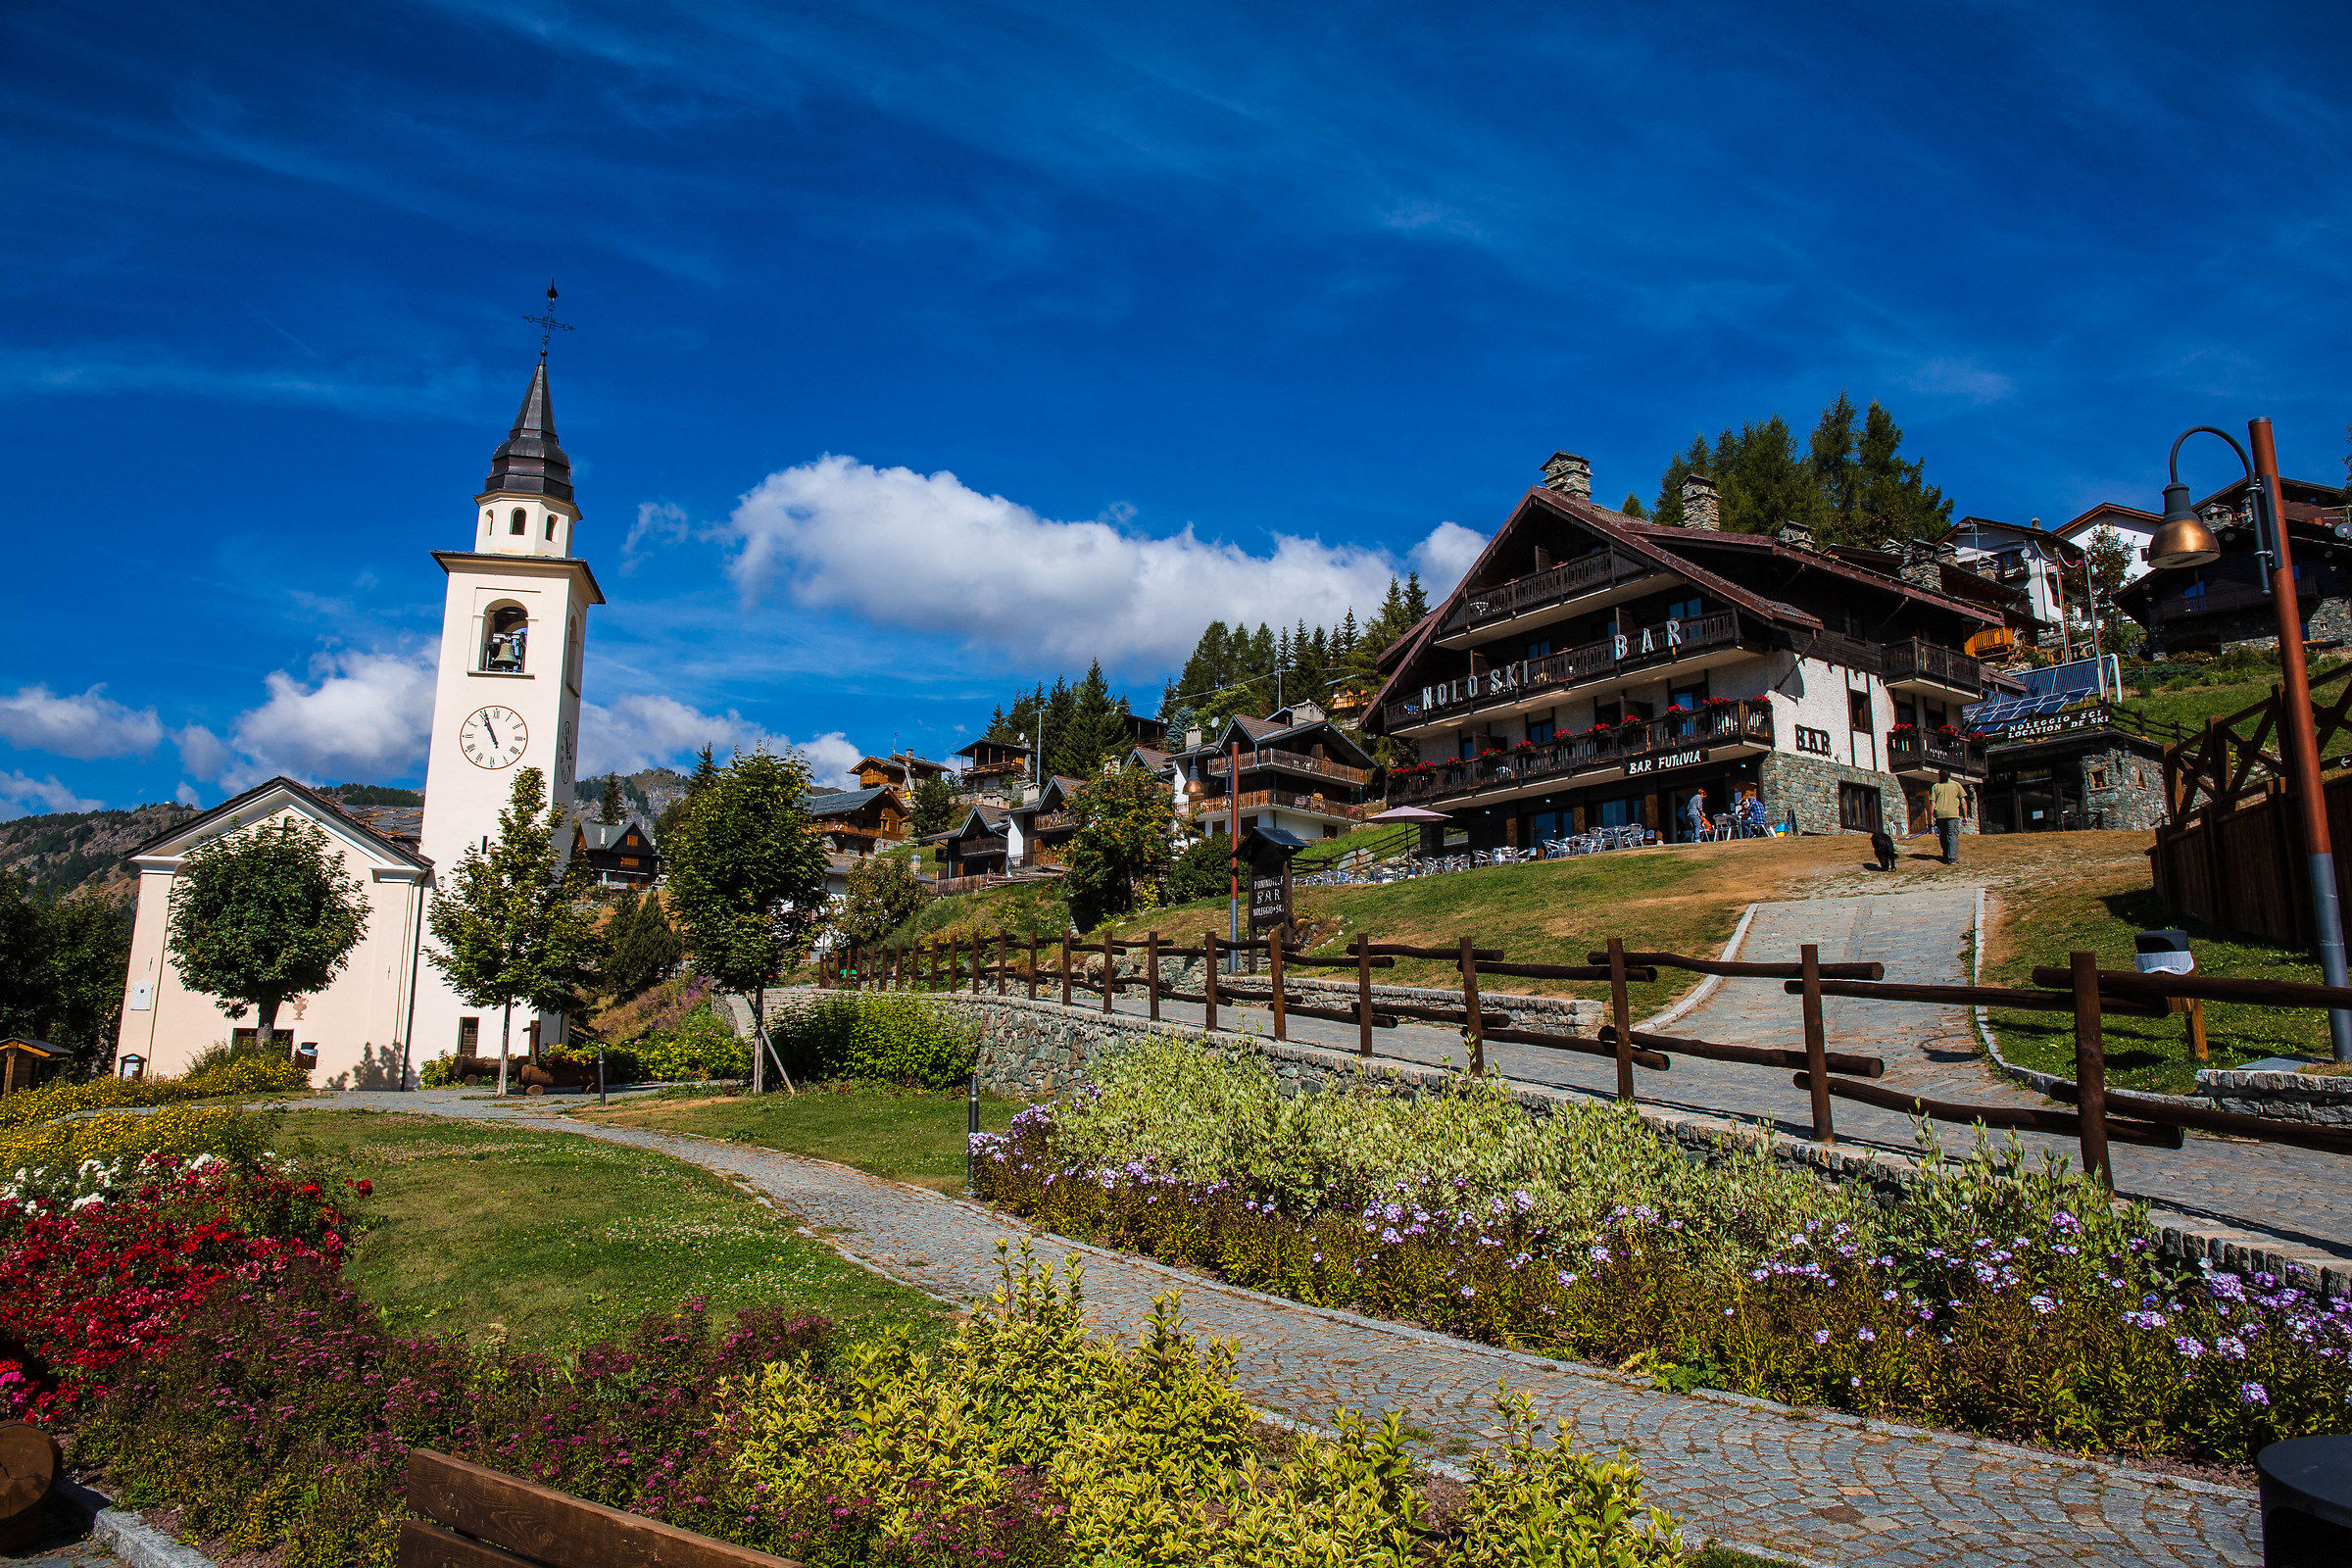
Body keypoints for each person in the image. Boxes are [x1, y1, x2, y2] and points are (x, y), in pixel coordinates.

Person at [1930, 770, 1967, 864]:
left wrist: (1931, 817)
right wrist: (1965, 816)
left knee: (1943, 835)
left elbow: (1932, 803)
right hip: (1952, 814)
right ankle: (1952, 858)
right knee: (1952, 835)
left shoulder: (1935, 786)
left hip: (1940, 815)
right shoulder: (1956, 785)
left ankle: (1946, 855)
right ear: (1950, 776)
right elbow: (1963, 802)